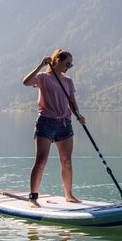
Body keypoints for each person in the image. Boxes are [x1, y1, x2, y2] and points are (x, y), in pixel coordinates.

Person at [22, 49, 84, 207]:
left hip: (65, 123)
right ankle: (33, 198)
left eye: (71, 64)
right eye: (66, 63)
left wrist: (78, 114)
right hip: (46, 122)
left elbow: (72, 101)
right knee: (41, 160)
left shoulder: (68, 81)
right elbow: (26, 82)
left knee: (67, 161)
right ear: (56, 61)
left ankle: (69, 195)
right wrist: (40, 66)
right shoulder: (43, 77)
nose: (69, 67)